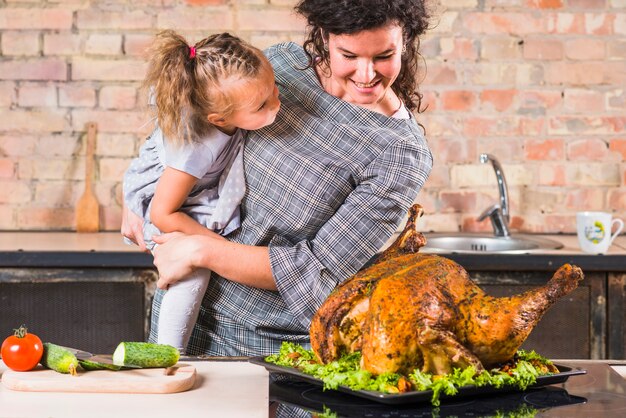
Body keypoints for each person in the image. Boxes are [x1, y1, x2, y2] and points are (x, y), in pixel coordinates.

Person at [122, 0, 432, 357]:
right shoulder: (283, 67)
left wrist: (202, 250)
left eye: (383, 56)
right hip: (178, 308)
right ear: (326, 36)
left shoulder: (399, 153)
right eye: (348, 55)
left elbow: (319, 271)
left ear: (406, 41)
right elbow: (192, 125)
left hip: (267, 350)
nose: (365, 74)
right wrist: (139, 193)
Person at [122, 30, 281, 353]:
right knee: (194, 275)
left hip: (191, 198)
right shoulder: (197, 147)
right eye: (262, 105)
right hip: (165, 207)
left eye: (275, 87)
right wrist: (210, 246)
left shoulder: (230, 106)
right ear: (218, 118)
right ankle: (168, 356)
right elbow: (162, 212)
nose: (277, 103)